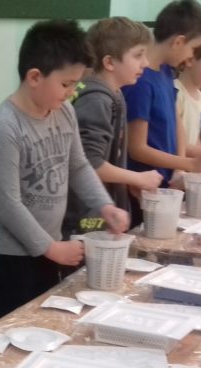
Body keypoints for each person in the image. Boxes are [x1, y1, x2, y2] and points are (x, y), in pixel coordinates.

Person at [0, 19, 130, 324]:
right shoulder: (4, 128)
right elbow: (8, 205)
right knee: (12, 330)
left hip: (46, 248)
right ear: (35, 77)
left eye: (76, 84)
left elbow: (79, 166)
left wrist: (105, 205)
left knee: (43, 323)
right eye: (66, 84)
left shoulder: (64, 112)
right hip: (8, 258)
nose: (72, 92)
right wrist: (51, 248)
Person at [63, 16, 161, 239]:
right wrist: (135, 178)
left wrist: (126, 181)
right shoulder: (97, 99)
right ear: (109, 62)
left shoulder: (113, 93)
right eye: (138, 55)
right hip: (82, 219)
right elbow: (90, 163)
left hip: (94, 213)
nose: (145, 63)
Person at [122, 0, 201, 228]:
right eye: (193, 49)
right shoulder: (141, 81)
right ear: (178, 42)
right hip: (142, 192)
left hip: (166, 187)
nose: (191, 57)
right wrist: (189, 163)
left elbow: (177, 123)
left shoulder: (165, 71)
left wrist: (179, 169)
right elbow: (137, 148)